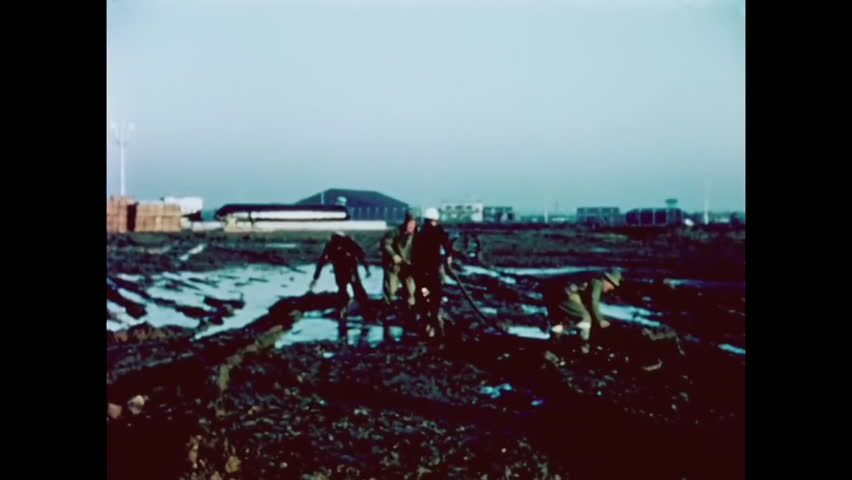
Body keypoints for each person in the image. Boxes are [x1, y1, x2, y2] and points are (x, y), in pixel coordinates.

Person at [308, 231, 374, 341]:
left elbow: (360, 254)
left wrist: (367, 268)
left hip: (350, 270)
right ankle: (344, 313)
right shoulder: (331, 246)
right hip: (341, 271)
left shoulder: (348, 243)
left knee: (357, 291)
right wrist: (315, 278)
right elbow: (322, 261)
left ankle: (366, 313)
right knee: (344, 291)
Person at [539, 269, 622, 354]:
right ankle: (583, 347)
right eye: (613, 285)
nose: (612, 288)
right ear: (607, 280)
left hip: (551, 291)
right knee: (585, 318)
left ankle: (553, 348)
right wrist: (600, 320)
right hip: (564, 293)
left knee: (558, 321)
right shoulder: (597, 282)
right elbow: (593, 302)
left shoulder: (589, 279)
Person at [411, 207, 458, 339]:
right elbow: (447, 247)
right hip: (433, 272)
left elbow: (414, 255)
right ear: (435, 220)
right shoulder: (439, 232)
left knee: (423, 297)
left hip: (420, 273)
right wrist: (449, 255)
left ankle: (427, 327)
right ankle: (437, 327)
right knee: (435, 300)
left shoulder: (419, 234)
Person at [380, 212, 418, 336]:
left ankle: (409, 316)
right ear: (405, 223)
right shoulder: (394, 232)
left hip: (409, 267)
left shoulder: (417, 235)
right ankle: (387, 314)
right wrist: (394, 256)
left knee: (411, 291)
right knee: (390, 290)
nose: (410, 227)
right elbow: (386, 244)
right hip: (394, 267)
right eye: (409, 224)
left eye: (413, 224)